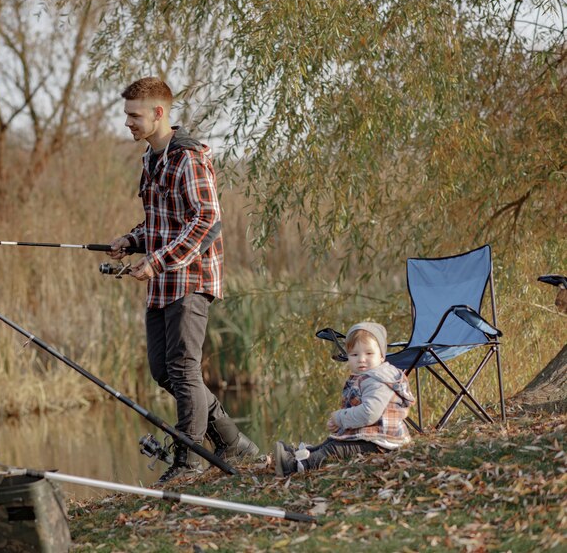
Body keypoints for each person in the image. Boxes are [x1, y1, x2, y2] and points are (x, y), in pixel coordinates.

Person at [109, 77, 259, 484]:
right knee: (163, 370)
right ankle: (231, 442)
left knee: (183, 367)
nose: (128, 122)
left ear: (159, 113)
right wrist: (131, 241)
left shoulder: (188, 157)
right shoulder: (150, 159)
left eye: (134, 115)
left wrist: (157, 262)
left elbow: (208, 220)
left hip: (191, 278)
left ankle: (188, 461)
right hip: (162, 282)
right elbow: (163, 223)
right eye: (127, 115)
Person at [274, 322, 415, 477]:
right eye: (354, 355)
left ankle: (296, 466)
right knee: (332, 441)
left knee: (335, 448)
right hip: (373, 435)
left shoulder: (378, 381)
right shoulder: (368, 377)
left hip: (382, 441)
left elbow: (369, 413)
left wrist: (340, 417)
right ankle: (302, 453)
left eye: (369, 354)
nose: (361, 359)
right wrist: (339, 423)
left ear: (381, 356)